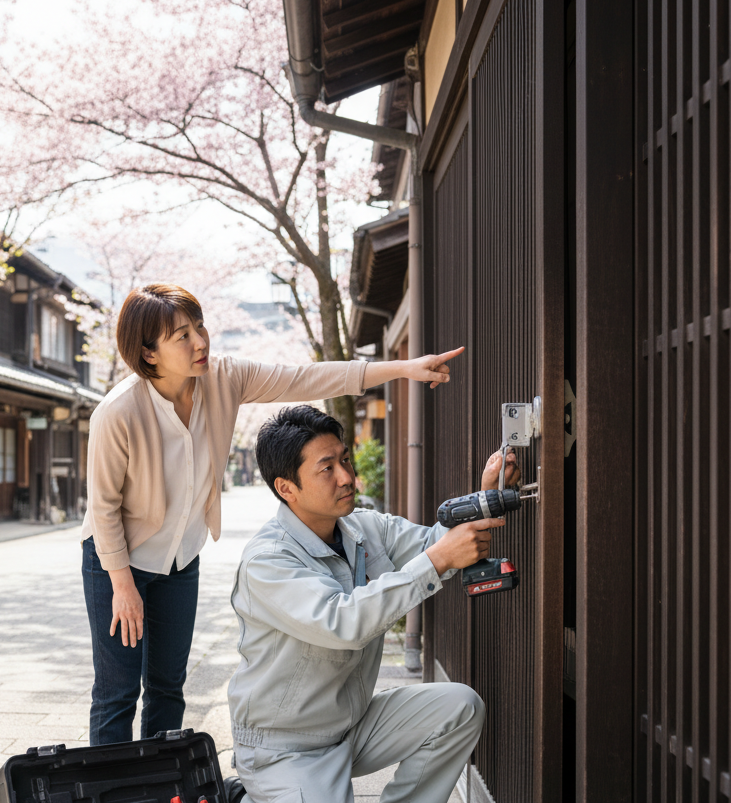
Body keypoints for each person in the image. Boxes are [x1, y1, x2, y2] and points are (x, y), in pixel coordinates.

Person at [81, 283, 464, 746]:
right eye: (182, 336)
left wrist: (402, 369)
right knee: (117, 692)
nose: (201, 342)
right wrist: (123, 587)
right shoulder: (117, 413)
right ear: (149, 352)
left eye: (199, 327)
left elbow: (304, 377)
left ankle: (160, 798)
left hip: (181, 559)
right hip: (117, 562)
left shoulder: (222, 378)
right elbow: (102, 508)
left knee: (168, 687)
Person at [225, 404, 520, 803]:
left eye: (344, 459)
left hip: (350, 724)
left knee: (459, 707)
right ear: (286, 488)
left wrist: (487, 495)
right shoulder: (267, 560)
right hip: (285, 747)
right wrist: (438, 559)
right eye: (327, 467)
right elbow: (341, 622)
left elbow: (436, 544)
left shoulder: (364, 528)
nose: (346, 476)